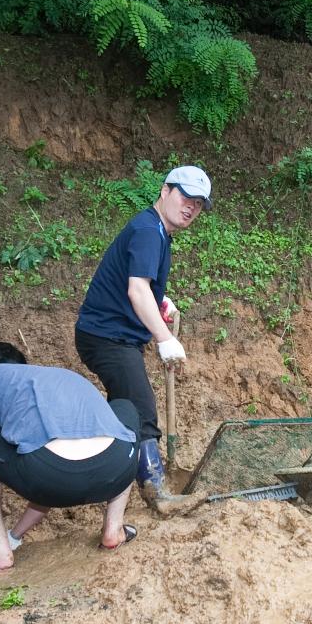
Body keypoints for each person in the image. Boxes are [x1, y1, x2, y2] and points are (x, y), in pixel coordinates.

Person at [74, 165, 212, 516]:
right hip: (108, 336)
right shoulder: (150, 231)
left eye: (198, 203)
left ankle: (110, 490)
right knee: (141, 411)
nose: (190, 207)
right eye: (185, 197)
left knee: (125, 416)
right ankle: (157, 493)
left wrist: (160, 301)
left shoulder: (157, 231)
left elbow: (139, 285)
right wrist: (164, 339)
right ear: (165, 190)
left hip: (110, 334)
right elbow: (137, 291)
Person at [0, 341, 141, 572]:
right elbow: (58, 456)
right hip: (120, 467)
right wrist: (16, 535)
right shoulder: (55, 378)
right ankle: (114, 529)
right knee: (125, 410)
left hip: (54, 477)